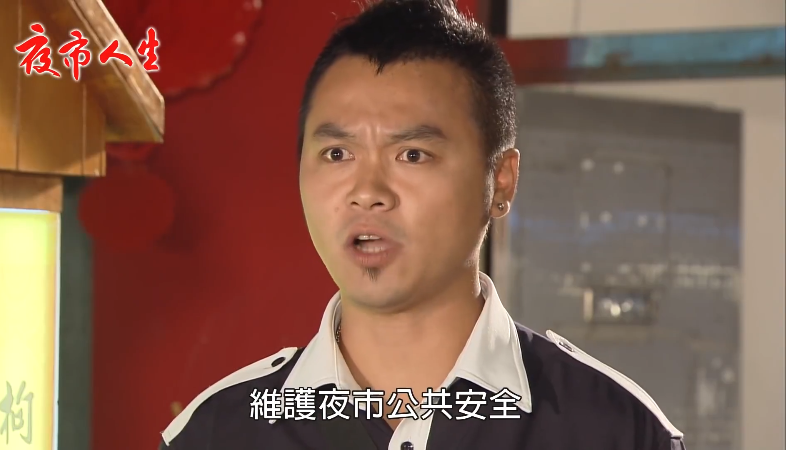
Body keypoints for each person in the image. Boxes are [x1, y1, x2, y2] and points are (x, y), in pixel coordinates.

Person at [159, 1, 686, 449]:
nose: (367, 191)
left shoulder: (616, 429)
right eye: (337, 153)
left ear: (501, 181)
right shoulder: (217, 433)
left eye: (412, 154)